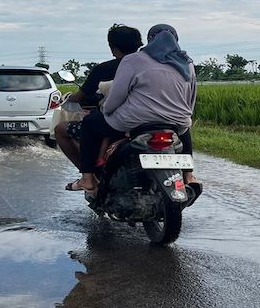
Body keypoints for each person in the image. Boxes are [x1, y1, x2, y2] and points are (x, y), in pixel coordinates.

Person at [67, 23, 197, 194]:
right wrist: (182, 116)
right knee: (184, 128)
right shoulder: (187, 64)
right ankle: (189, 176)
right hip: (176, 121)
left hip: (134, 120)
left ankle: (88, 179)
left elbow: (116, 96)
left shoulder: (133, 61)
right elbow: (190, 100)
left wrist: (106, 110)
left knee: (90, 123)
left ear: (150, 41)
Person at [54, 24, 143, 170]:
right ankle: (188, 176)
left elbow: (81, 95)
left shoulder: (105, 68)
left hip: (120, 121)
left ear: (113, 47)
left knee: (68, 128)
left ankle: (88, 175)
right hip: (156, 120)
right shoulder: (151, 65)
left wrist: (70, 98)